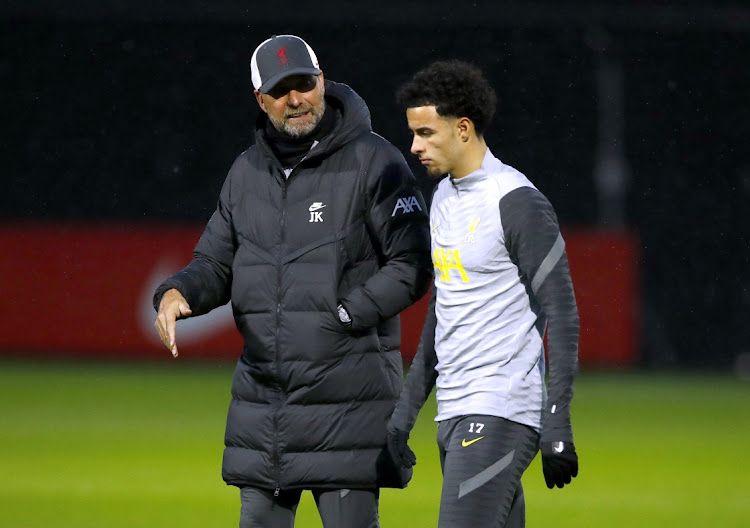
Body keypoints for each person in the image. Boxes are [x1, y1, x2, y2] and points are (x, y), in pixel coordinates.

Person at [153, 34, 432, 528]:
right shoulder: (245, 174)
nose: (296, 99)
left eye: (304, 83)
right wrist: (177, 292)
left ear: (322, 81)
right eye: (281, 91)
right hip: (266, 410)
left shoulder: (375, 160)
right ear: (261, 100)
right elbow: (216, 264)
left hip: (348, 404)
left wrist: (346, 316)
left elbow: (411, 265)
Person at [386, 59, 580, 528]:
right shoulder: (444, 200)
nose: (415, 146)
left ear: (465, 129)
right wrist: (401, 419)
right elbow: (443, 314)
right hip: (453, 413)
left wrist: (557, 419)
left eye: (427, 133)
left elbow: (563, 311)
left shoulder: (516, 200)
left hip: (499, 412)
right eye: (413, 133)